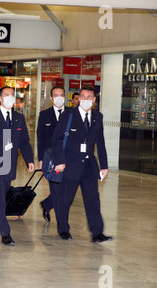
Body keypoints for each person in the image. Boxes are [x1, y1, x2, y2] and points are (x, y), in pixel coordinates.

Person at [51, 86, 112, 243]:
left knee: (93, 199)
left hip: (89, 166)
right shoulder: (69, 115)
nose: (85, 100)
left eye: (89, 97)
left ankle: (97, 232)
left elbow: (101, 142)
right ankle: (63, 229)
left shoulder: (98, 117)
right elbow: (56, 139)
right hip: (69, 164)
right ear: (78, 99)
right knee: (65, 198)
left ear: (94, 100)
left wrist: (104, 165)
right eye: (82, 97)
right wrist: (59, 161)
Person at [0, 86, 35, 246]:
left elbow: (23, 141)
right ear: (0, 99)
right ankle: (5, 233)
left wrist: (29, 160)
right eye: (7, 95)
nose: (10, 98)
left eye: (12, 95)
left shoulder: (18, 118)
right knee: (1, 199)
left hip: (9, 165)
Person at [36, 86, 66, 222]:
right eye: (56, 95)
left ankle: (47, 204)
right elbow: (40, 138)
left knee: (66, 191)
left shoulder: (72, 114)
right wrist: (41, 159)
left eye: (61, 95)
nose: (59, 97)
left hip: (68, 157)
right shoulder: (44, 115)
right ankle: (62, 223)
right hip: (51, 158)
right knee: (56, 189)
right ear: (51, 98)